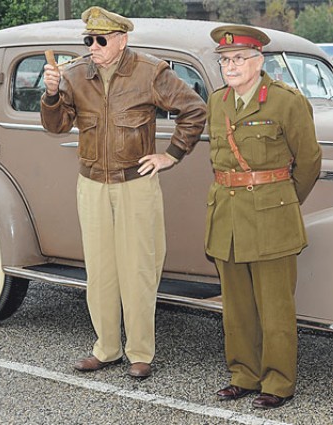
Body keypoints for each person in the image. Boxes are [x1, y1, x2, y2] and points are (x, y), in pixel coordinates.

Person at [40, 6, 206, 379]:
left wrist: (171, 155)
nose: (93, 46)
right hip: (93, 184)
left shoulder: (150, 72)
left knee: (139, 269)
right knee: (99, 271)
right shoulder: (75, 74)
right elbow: (56, 126)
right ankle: (106, 348)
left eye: (100, 40)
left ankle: (141, 352)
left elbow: (194, 109)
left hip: (135, 185)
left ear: (121, 40)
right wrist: (51, 94)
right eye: (89, 40)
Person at [205, 25, 322, 409]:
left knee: (275, 308)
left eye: (239, 58)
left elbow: (309, 163)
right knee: (236, 308)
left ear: (259, 61)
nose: (230, 66)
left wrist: (282, 203)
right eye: (225, 60)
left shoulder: (286, 102)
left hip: (272, 218)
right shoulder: (218, 102)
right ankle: (243, 374)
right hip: (228, 218)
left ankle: (278, 382)